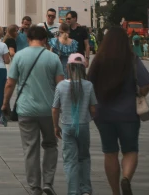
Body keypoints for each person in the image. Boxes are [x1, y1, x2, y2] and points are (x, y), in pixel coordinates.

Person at [88, 26, 149, 195]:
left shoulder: (98, 60)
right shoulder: (132, 59)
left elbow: (89, 85)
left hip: (103, 114)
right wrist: (139, 94)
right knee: (130, 150)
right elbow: (145, 84)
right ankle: (126, 178)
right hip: (129, 113)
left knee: (110, 153)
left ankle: (116, 192)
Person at [1, 25, 64, 195]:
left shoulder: (20, 56)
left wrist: (5, 103)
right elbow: (61, 85)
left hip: (26, 110)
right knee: (51, 145)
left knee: (30, 149)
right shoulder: (53, 58)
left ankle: (35, 187)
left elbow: (10, 83)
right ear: (45, 40)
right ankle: (48, 183)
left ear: (28, 39)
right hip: (49, 111)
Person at [52, 53, 97, 195]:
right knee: (84, 157)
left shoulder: (61, 86)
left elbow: (55, 108)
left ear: (68, 68)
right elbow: (93, 108)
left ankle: (73, 191)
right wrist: (91, 116)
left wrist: (55, 126)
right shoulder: (88, 85)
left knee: (70, 160)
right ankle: (85, 189)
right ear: (83, 68)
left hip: (66, 126)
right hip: (83, 125)